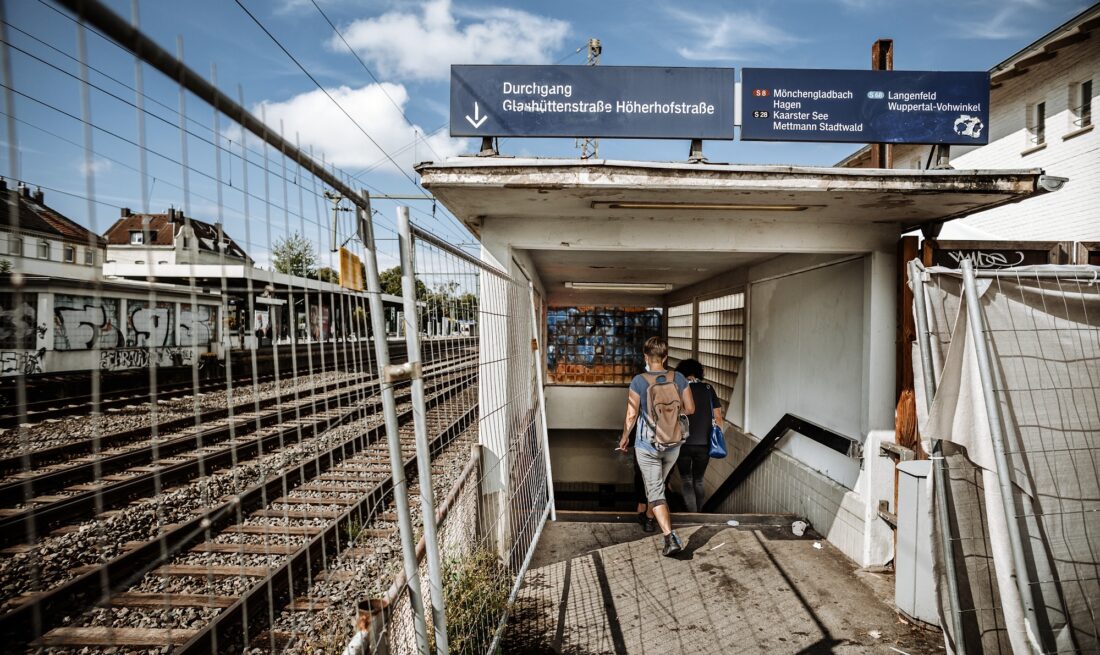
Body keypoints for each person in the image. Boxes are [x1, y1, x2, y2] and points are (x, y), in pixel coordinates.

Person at [618, 336, 695, 556]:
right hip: (673, 444)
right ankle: (650, 518)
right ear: (665, 357)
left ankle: (669, 537)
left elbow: (632, 414)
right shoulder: (679, 378)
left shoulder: (639, 381)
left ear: (645, 356)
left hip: (647, 445)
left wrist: (625, 436)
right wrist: (670, 415)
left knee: (655, 489)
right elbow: (690, 408)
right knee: (658, 485)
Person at [674, 358, 724, 513]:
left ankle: (692, 513)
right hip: (704, 444)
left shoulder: (678, 389)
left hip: (683, 443)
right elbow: (718, 417)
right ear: (699, 372)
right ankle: (701, 512)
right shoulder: (708, 389)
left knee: (686, 480)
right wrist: (718, 435)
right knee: (699, 480)